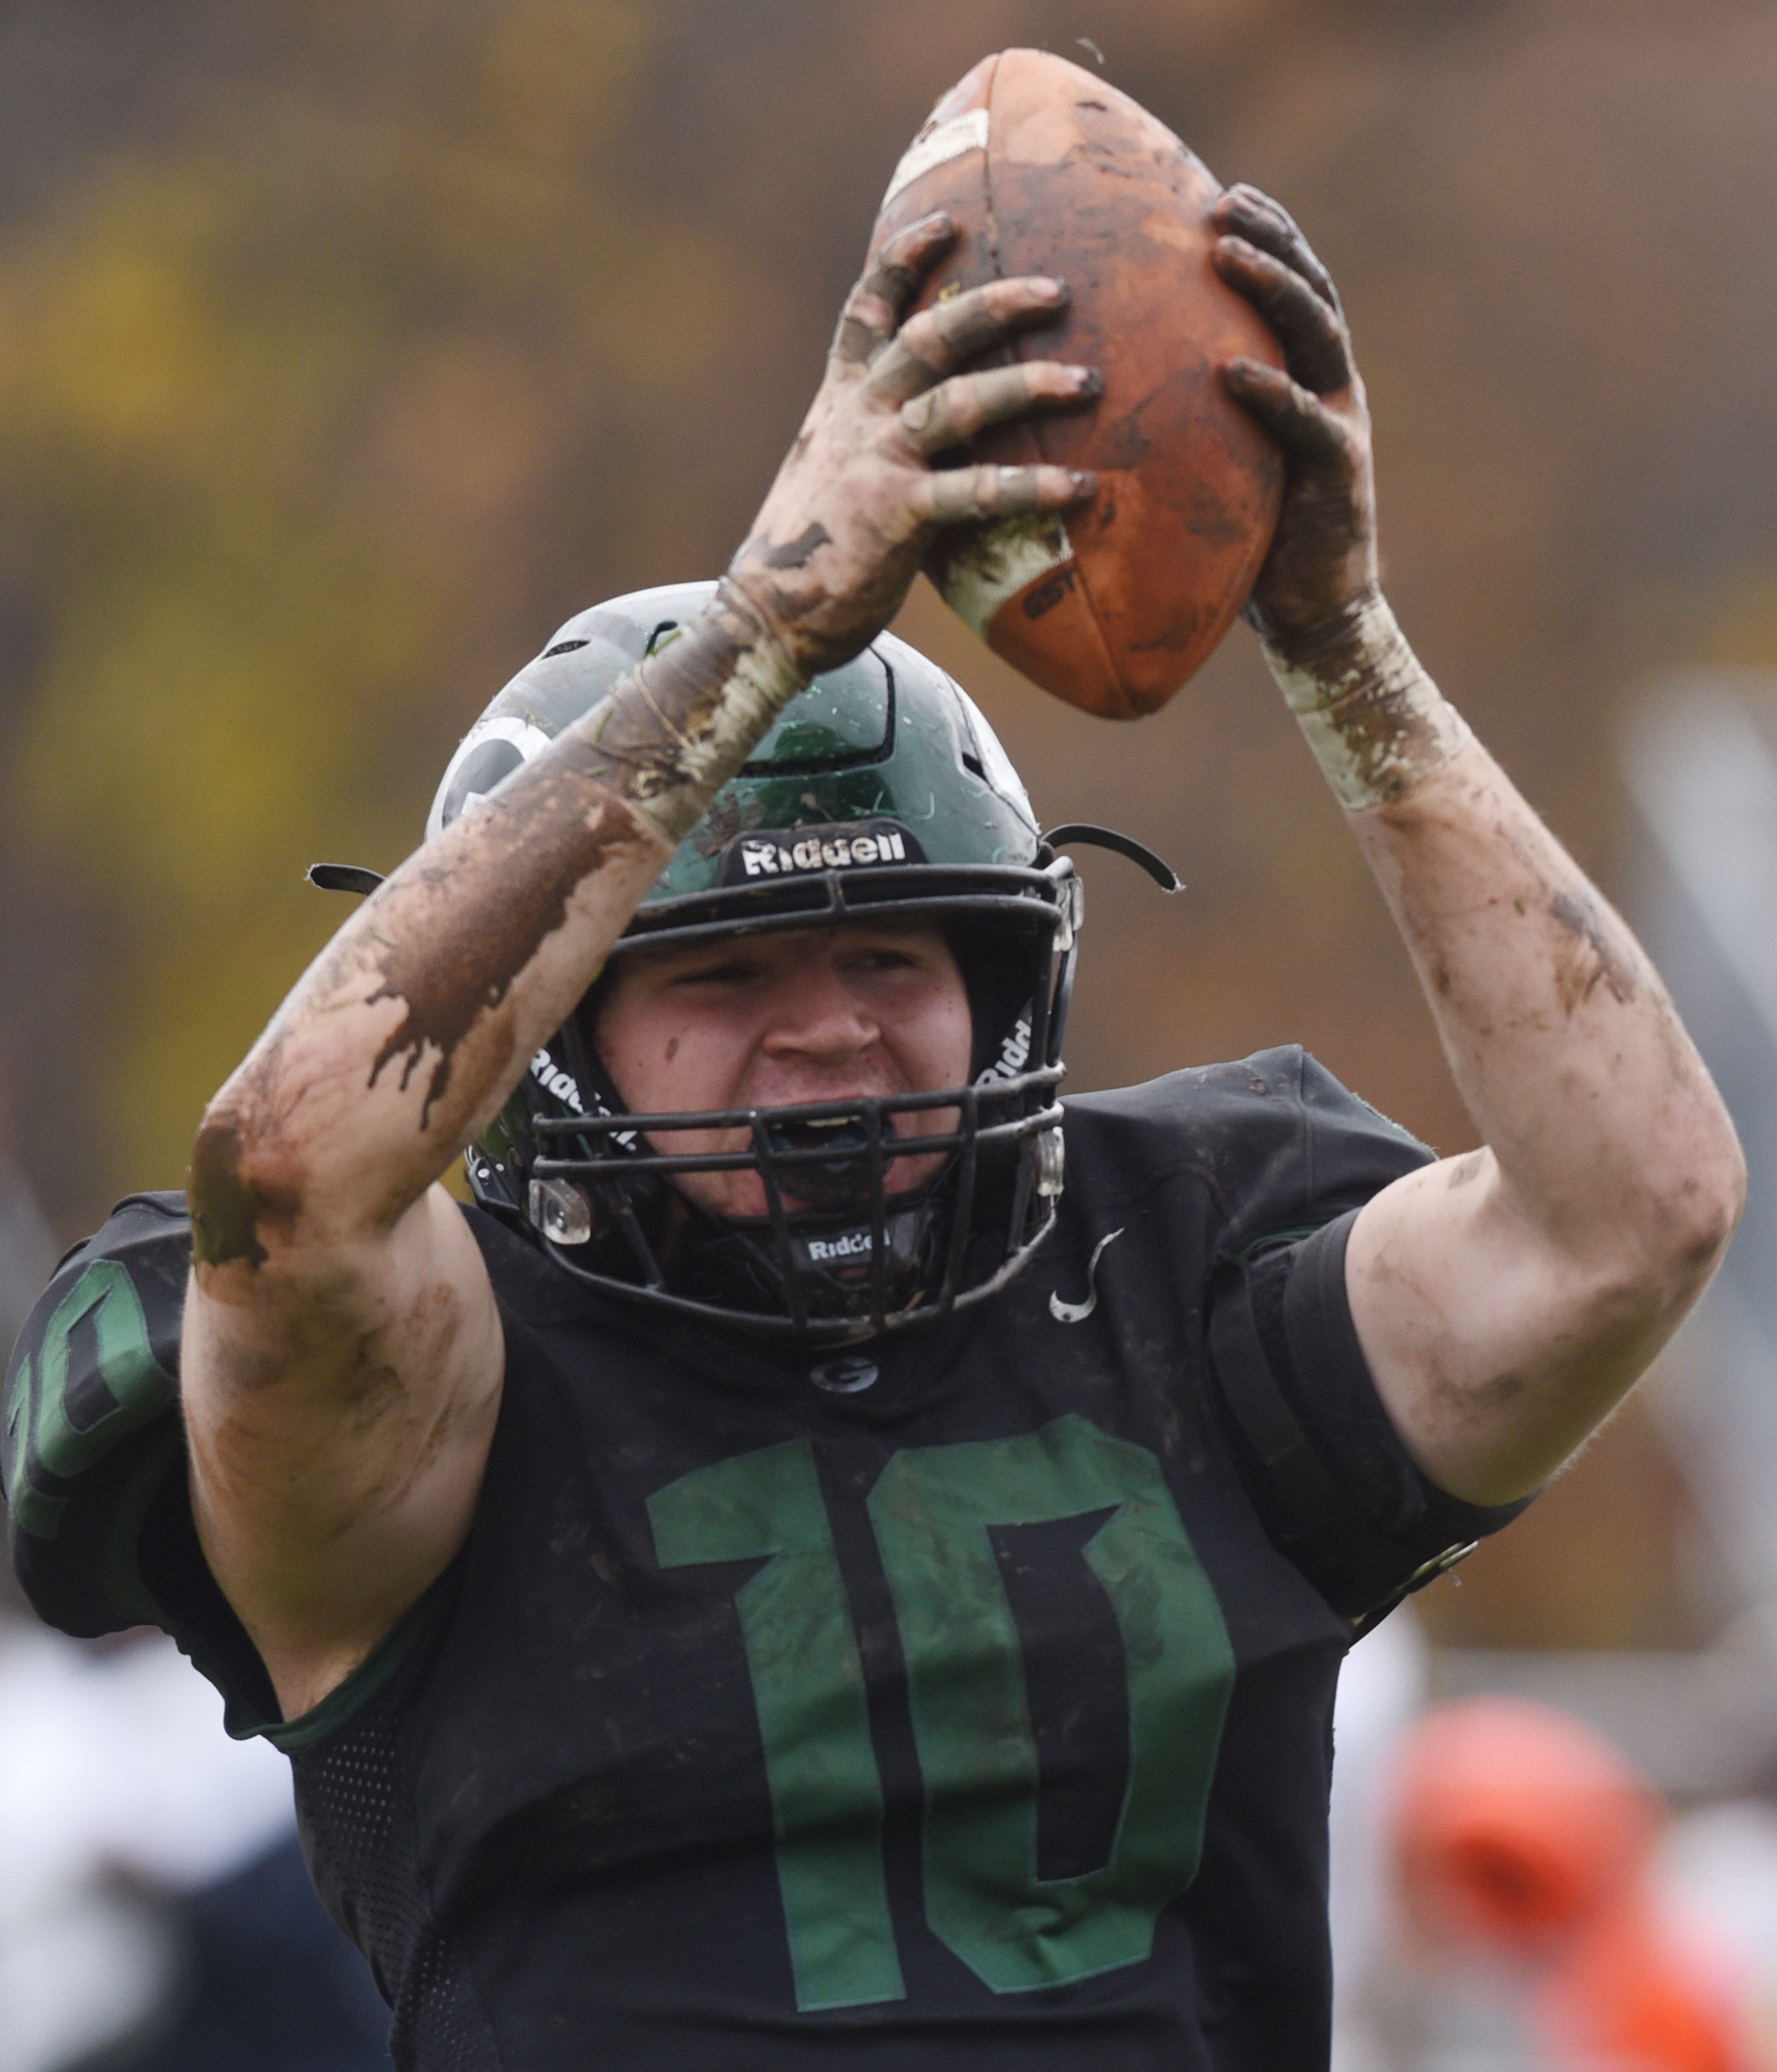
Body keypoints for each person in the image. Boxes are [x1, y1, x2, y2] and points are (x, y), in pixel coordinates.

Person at [3, 186, 1743, 2072]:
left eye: (892, 951)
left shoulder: (1186, 1295)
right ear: (548, 1028)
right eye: (724, 979)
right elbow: (289, 1183)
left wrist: (1340, 643)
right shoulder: (435, 1389)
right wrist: (760, 625)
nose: (828, 1026)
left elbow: (1634, 1208)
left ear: (1008, 981)